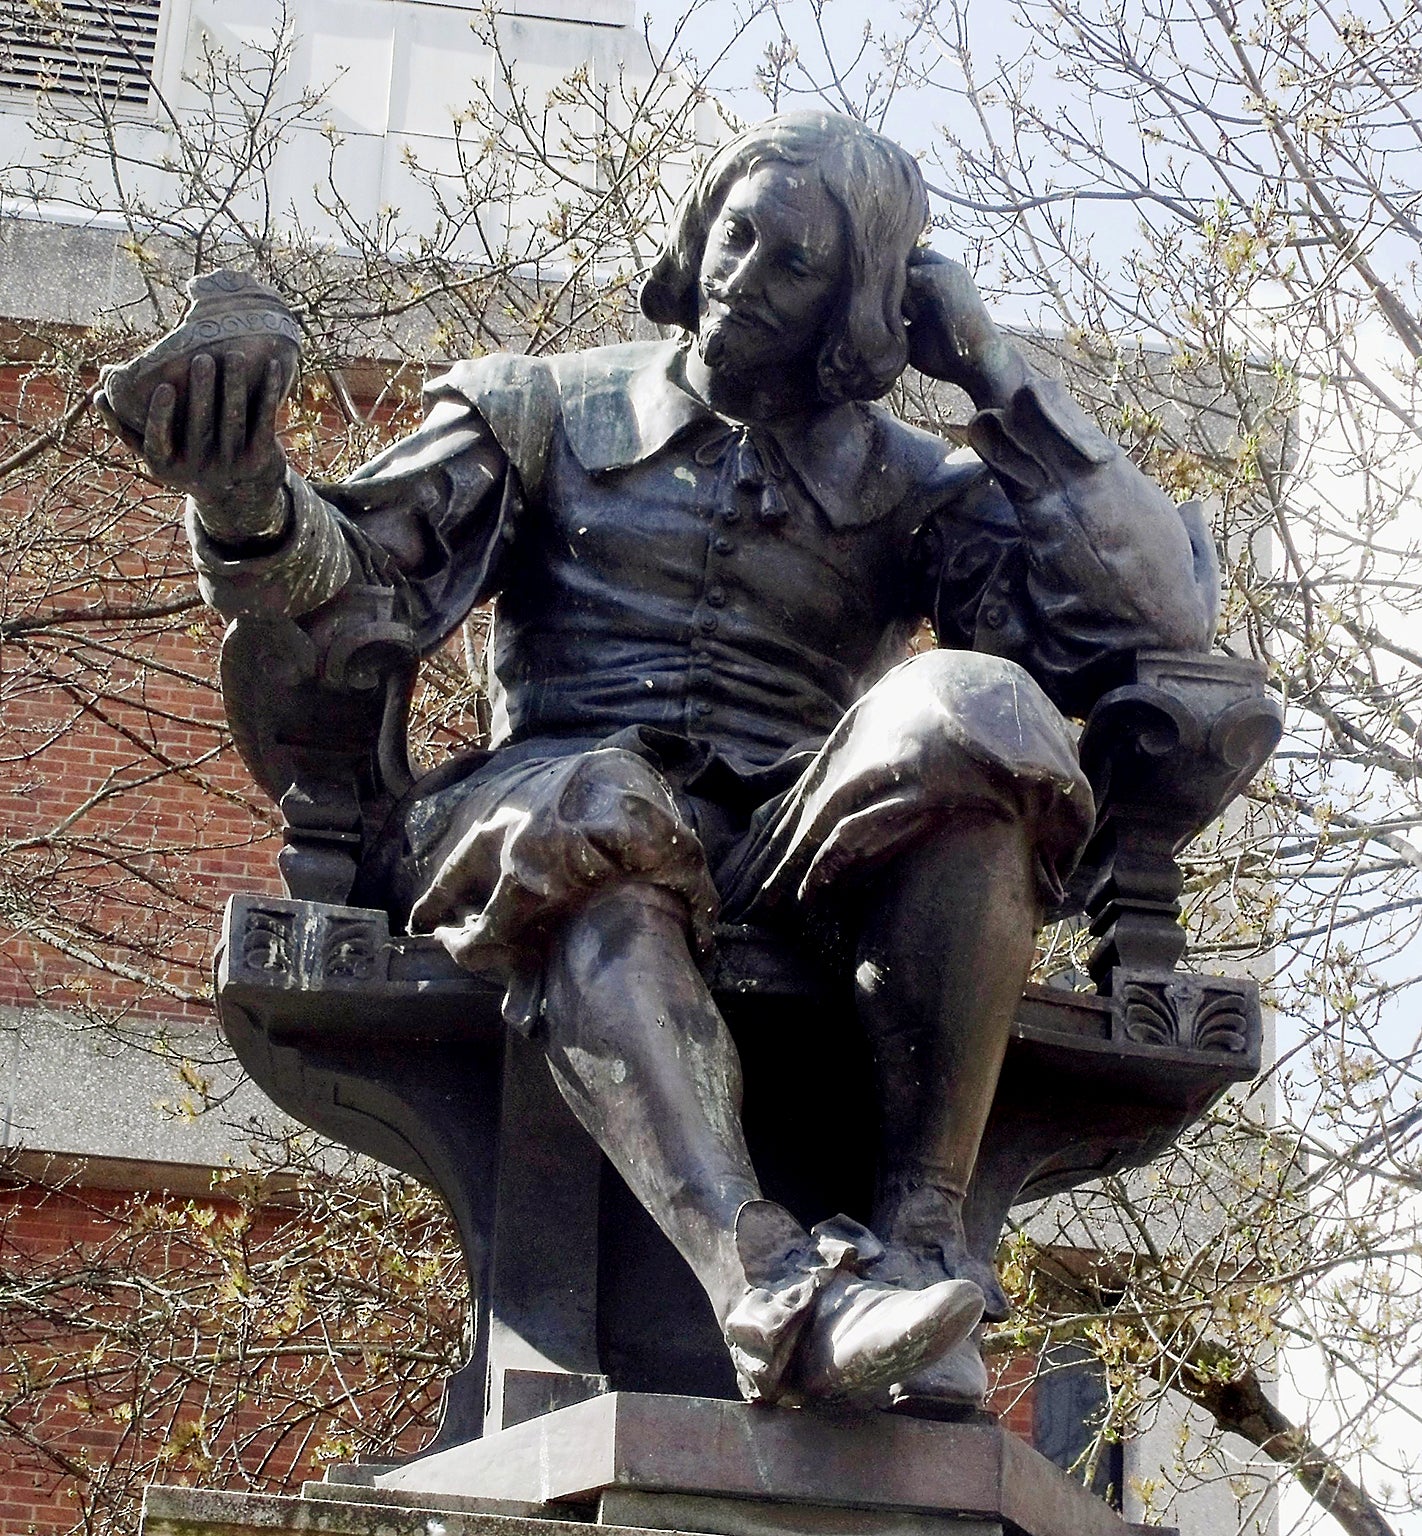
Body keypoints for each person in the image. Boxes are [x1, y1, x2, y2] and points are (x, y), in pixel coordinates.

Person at [103, 111, 1217, 1410]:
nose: (743, 273)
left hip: (795, 847)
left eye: (793, 261)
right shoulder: (535, 409)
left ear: (857, 302)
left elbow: (1154, 623)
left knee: (979, 706)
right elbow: (360, 578)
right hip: (550, 812)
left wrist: (990, 369)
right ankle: (767, 1287)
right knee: (601, 808)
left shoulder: (920, 485)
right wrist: (243, 498)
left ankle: (919, 1242)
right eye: (733, 234)